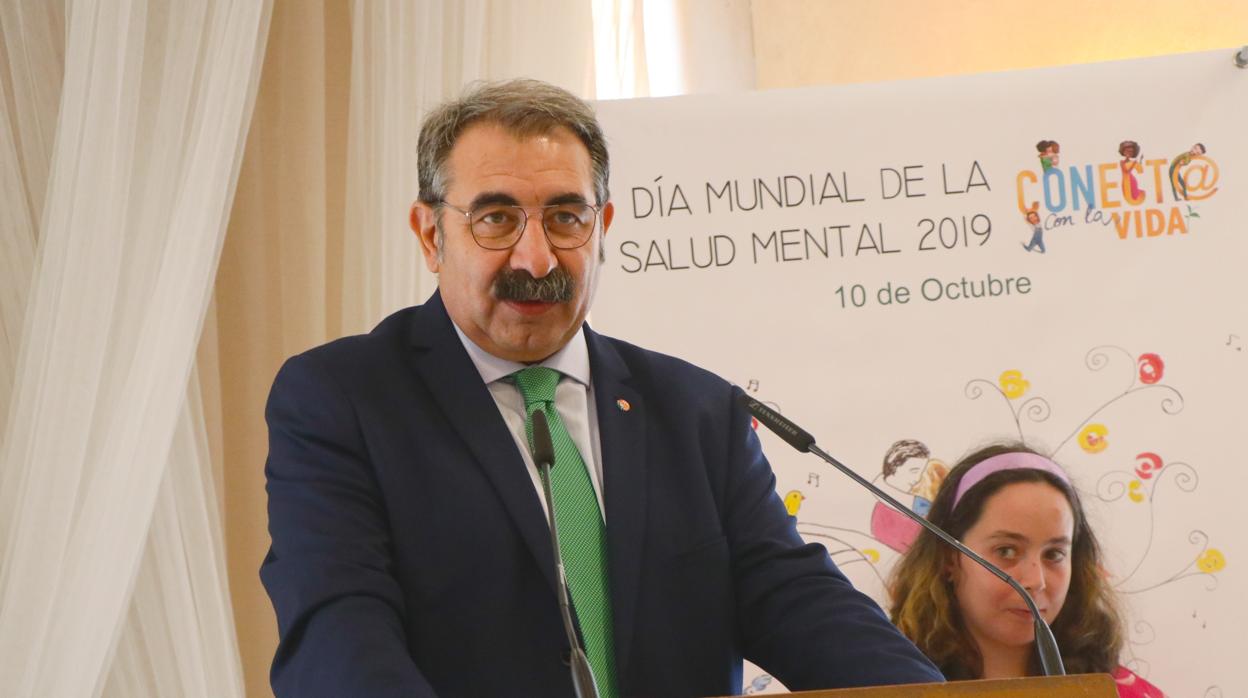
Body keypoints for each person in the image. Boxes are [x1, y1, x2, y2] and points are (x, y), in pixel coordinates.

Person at [260, 79, 943, 698]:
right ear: (431, 234)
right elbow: (339, 633)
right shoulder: (344, 401)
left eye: (565, 217)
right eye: (496, 219)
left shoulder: (697, 412)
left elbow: (800, 606)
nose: (537, 257)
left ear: (603, 228)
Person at [888, 443, 1166, 697]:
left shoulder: (1123, 692)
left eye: (1054, 554)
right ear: (949, 558)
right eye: (1006, 551)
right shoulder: (891, 685)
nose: (1035, 581)